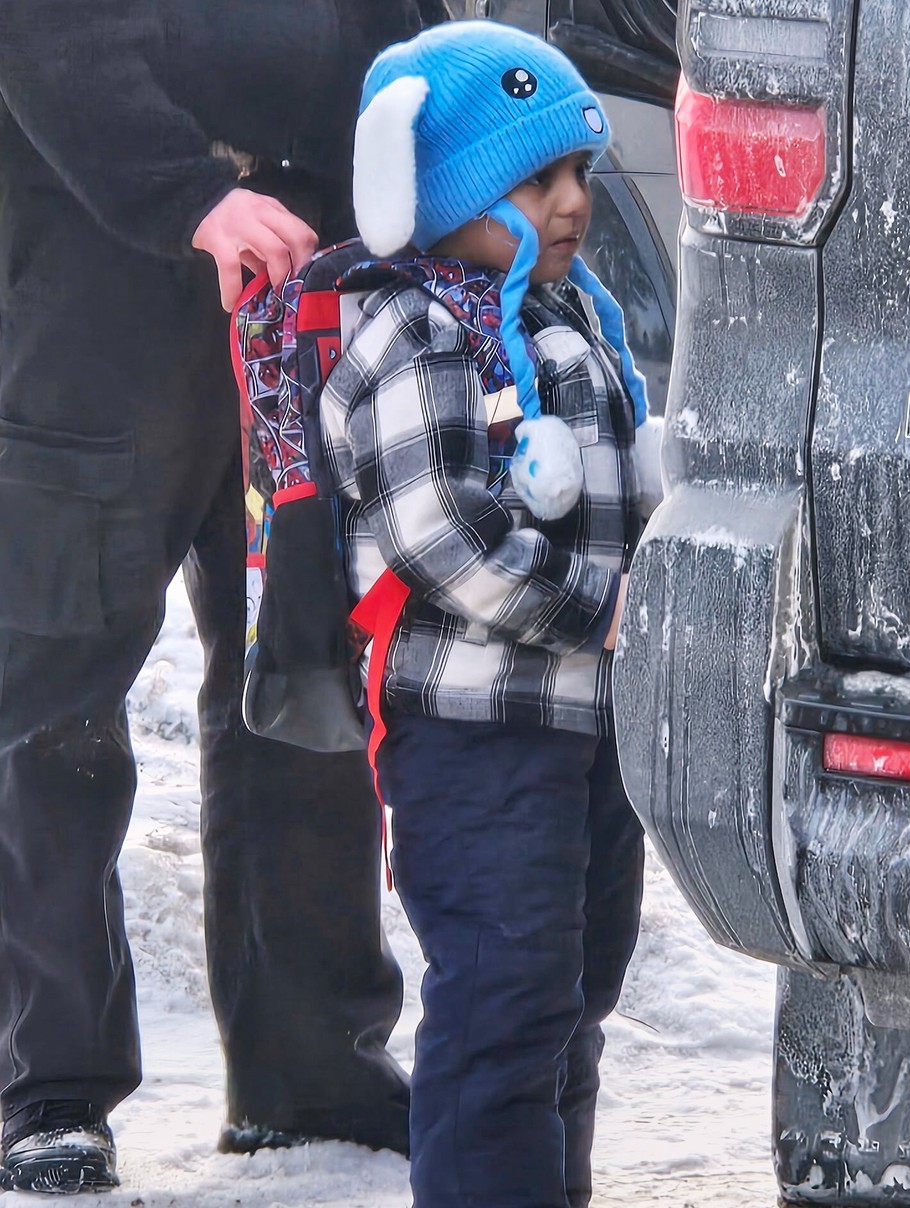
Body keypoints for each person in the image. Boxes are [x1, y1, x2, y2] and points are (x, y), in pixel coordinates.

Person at [0, 0, 429, 1194]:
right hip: (97, 317)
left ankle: (309, 1073)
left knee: (303, 685)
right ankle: (53, 1087)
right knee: (54, 700)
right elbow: (39, 30)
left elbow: (402, 46)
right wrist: (189, 194)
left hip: (308, 312)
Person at [319, 21, 655, 1206]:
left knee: (570, 1001)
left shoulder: (575, 320)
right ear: (443, 183)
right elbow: (443, 538)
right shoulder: (413, 329)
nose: (571, 202)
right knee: (503, 1004)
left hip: (585, 730)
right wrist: (605, 611)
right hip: (474, 733)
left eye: (577, 175)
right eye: (536, 179)